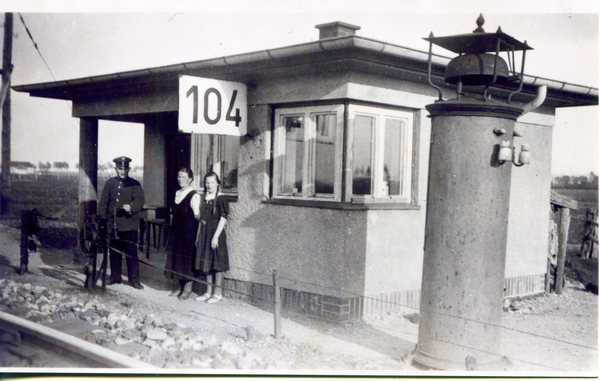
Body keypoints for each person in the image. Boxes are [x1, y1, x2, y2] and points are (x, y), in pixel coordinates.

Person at [98, 156, 145, 290]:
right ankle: (115, 277)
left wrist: (131, 206)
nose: (122, 171)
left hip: (129, 225)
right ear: (116, 169)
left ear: (129, 169)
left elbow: (140, 201)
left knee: (131, 252)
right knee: (115, 252)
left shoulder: (135, 184)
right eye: (120, 169)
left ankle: (134, 280)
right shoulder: (110, 183)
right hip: (114, 225)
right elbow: (103, 203)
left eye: (125, 169)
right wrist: (103, 221)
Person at [195, 172, 230, 303]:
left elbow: (223, 218)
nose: (209, 185)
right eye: (207, 182)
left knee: (217, 263)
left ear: (218, 183)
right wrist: (198, 236)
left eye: (212, 182)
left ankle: (217, 293)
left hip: (216, 234)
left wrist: (215, 237)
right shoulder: (204, 197)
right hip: (205, 233)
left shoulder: (221, 198)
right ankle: (208, 292)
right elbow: (202, 219)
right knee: (206, 262)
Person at [166, 168, 200, 300]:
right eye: (179, 176)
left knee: (187, 259)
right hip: (176, 232)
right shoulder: (176, 193)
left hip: (188, 233)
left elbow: (197, 216)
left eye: (184, 177)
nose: (180, 179)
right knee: (177, 258)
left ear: (190, 179)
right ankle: (179, 286)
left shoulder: (194, 195)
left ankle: (187, 288)